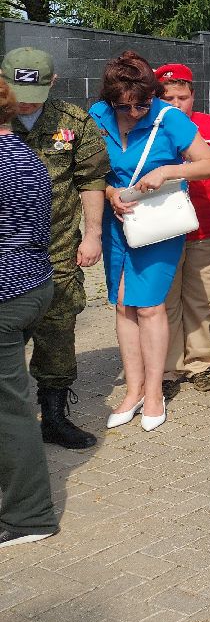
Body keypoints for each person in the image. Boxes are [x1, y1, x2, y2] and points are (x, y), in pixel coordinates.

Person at [92, 51, 210, 433]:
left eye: (142, 104)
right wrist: (110, 190)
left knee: (148, 307)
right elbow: (87, 169)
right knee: (122, 306)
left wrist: (168, 170)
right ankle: (131, 391)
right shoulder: (97, 114)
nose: (134, 113)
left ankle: (153, 393)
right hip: (117, 223)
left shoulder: (168, 117)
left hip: (158, 225)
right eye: (124, 106)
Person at [1, 48, 107, 451]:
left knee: (58, 328)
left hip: (57, 248)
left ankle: (55, 415)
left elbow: (91, 180)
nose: (27, 99)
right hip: (7, 251)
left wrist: (93, 234)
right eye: (18, 89)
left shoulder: (73, 122)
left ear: (54, 81)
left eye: (37, 90)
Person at [0, 77, 61, 547]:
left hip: (7, 295)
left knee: (10, 408)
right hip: (33, 285)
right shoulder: (29, 159)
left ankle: (30, 516)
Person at [155, 64, 210, 397]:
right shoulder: (151, 127)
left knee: (203, 299)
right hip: (164, 232)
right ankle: (169, 367)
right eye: (168, 97)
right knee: (168, 302)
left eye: (182, 97)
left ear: (193, 96)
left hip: (206, 226)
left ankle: (200, 362)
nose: (176, 104)